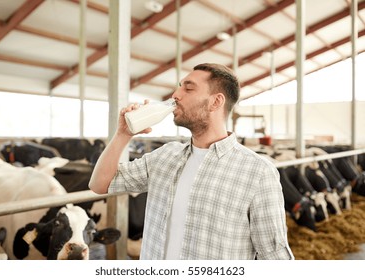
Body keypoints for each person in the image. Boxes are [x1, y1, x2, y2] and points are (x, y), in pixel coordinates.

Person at [89, 63, 294, 260]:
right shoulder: (165, 156)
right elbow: (100, 184)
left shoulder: (257, 172)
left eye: (188, 89)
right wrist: (123, 134)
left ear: (216, 102)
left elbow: (273, 254)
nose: (176, 95)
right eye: (179, 87)